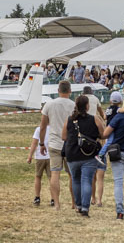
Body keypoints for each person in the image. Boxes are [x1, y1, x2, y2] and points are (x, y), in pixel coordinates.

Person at [63, 94, 105, 216]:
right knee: (87, 180)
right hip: (89, 154)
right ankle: (85, 207)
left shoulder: (70, 119)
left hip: (72, 154)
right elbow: (103, 134)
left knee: (76, 180)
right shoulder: (94, 119)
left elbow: (63, 136)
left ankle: (79, 205)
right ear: (87, 106)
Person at [38, 81, 76, 210]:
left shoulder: (49, 104)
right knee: (72, 175)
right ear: (69, 91)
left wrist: (42, 143)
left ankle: (57, 203)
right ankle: (74, 203)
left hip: (54, 143)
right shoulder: (73, 105)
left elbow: (43, 126)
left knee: (55, 174)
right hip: (70, 143)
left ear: (58, 90)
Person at [27, 124, 51, 207]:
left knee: (38, 177)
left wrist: (30, 156)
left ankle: (37, 197)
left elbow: (34, 143)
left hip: (40, 157)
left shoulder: (38, 129)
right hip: (51, 157)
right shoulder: (53, 129)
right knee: (51, 178)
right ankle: (53, 198)